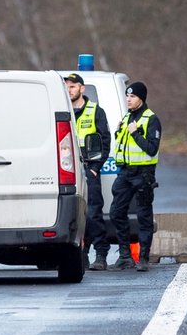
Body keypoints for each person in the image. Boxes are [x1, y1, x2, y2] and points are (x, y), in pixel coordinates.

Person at [110, 81, 161, 272]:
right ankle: (125, 256)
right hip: (125, 173)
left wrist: (136, 133)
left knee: (143, 216)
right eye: (127, 96)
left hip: (143, 174)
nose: (128, 100)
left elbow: (151, 148)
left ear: (141, 98)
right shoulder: (126, 118)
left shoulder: (151, 119)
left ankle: (143, 258)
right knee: (116, 212)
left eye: (132, 96)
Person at [64, 73, 112, 270]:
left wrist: (95, 168)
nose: (69, 90)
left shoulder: (95, 111)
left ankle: (100, 255)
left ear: (82, 88)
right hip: (67, 170)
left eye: (73, 86)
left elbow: (104, 141)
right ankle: (80, 255)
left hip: (87, 168)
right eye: (67, 87)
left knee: (93, 214)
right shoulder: (60, 109)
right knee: (71, 214)